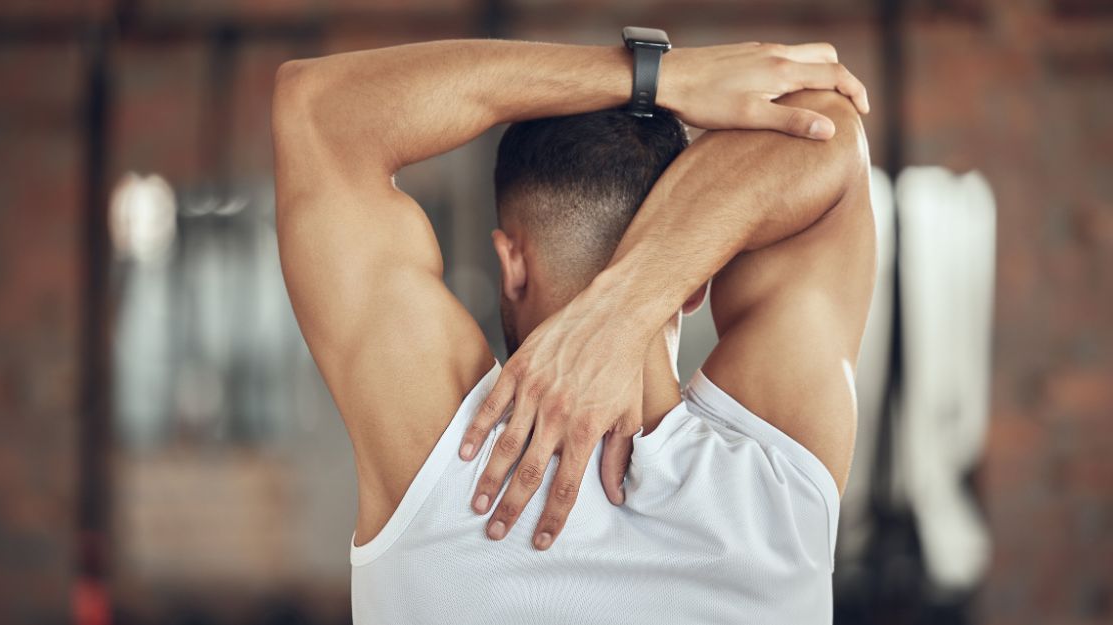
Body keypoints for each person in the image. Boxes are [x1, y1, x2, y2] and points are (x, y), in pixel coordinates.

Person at [273, 35, 874, 625]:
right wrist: (634, 300)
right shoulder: (778, 476)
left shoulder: (438, 450)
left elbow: (320, 111)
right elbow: (826, 123)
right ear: (697, 282)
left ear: (511, 264)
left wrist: (656, 77)